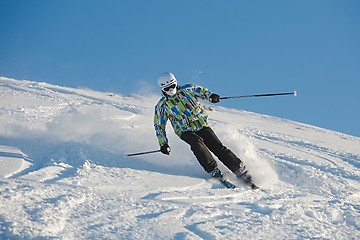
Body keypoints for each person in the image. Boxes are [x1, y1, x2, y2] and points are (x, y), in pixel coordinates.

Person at [153, 72, 258, 189]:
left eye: (172, 86)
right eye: (167, 88)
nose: (171, 89)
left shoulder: (188, 89)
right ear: (163, 88)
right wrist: (163, 143)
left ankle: (241, 171)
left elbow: (202, 92)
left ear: (176, 83)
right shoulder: (162, 106)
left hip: (201, 124)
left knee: (218, 147)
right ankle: (213, 170)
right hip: (184, 130)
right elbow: (159, 126)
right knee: (196, 143)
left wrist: (211, 96)